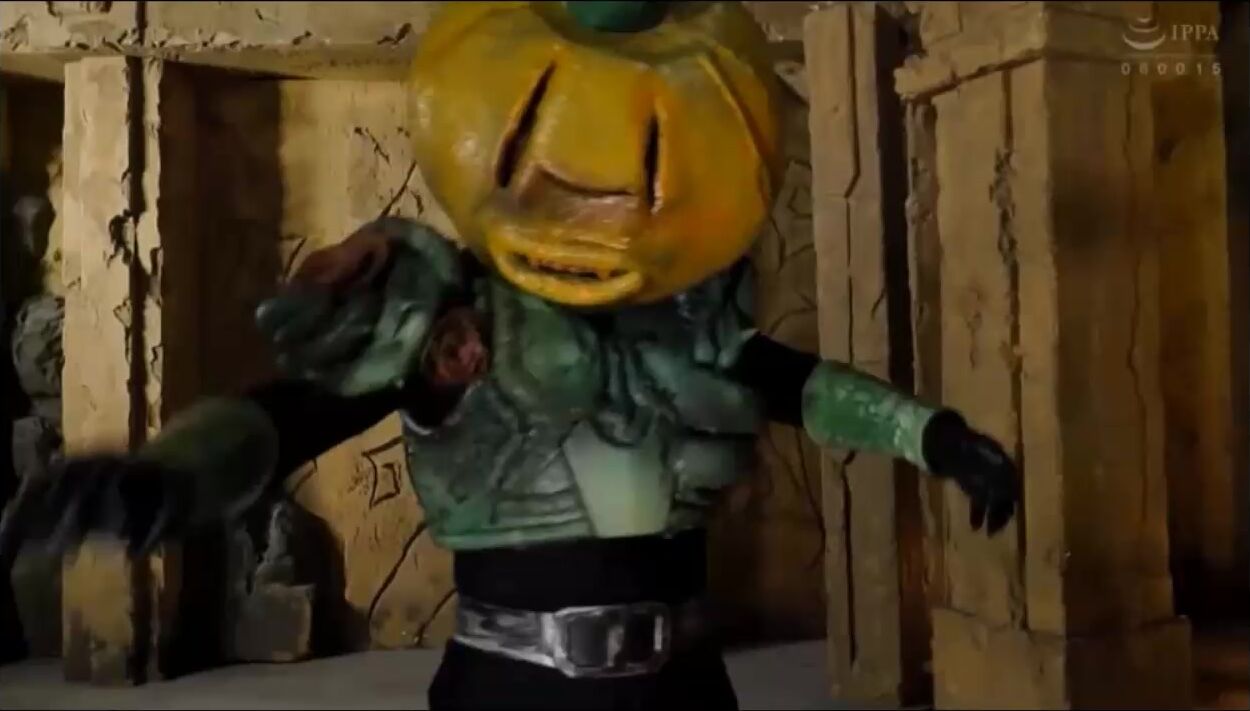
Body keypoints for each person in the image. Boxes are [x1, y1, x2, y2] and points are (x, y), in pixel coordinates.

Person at [0, 2, 1019, 709]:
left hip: (682, 689)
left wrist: (933, 435)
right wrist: (166, 477)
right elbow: (295, 412)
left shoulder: (684, 318)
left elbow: (793, 382)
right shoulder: (441, 308)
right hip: (510, 690)